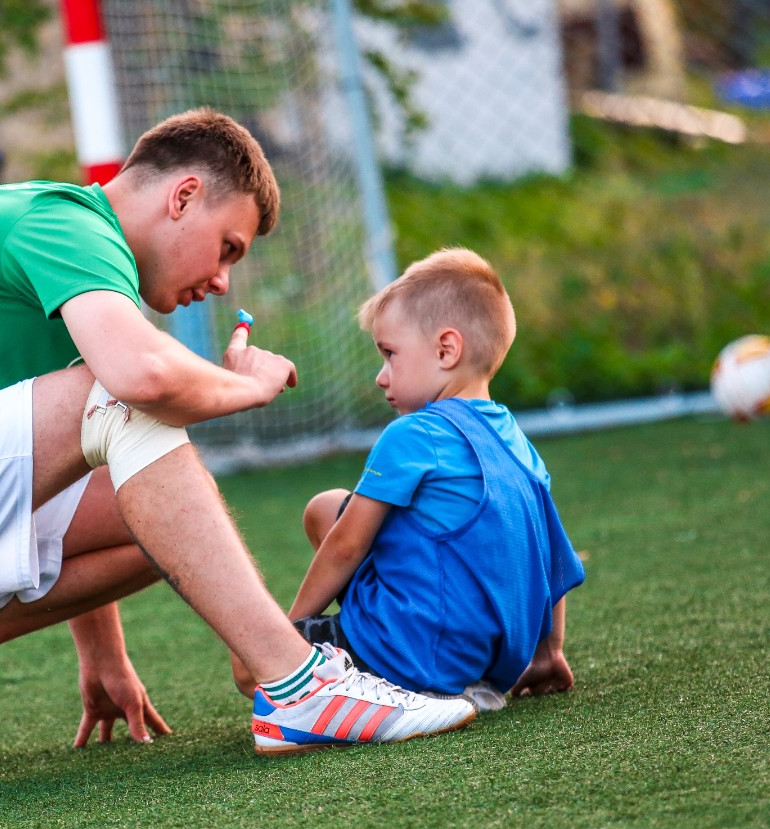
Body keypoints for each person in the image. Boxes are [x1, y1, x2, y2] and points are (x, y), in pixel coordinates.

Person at [0, 109, 475, 783]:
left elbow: (92, 446)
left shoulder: (77, 268)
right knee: (128, 396)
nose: (222, 281)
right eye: (228, 249)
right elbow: (136, 380)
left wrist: (105, 658)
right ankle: (297, 684)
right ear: (184, 196)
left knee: (159, 513)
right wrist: (246, 387)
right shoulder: (64, 221)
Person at [232, 247, 583, 712]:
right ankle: (441, 670)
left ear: (446, 349)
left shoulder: (414, 433)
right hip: (486, 663)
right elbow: (552, 561)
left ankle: (359, 679)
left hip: (409, 658)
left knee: (247, 660)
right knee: (326, 507)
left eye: (390, 354)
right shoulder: (514, 439)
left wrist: (287, 637)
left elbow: (345, 547)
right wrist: (547, 654)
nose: (381, 377)